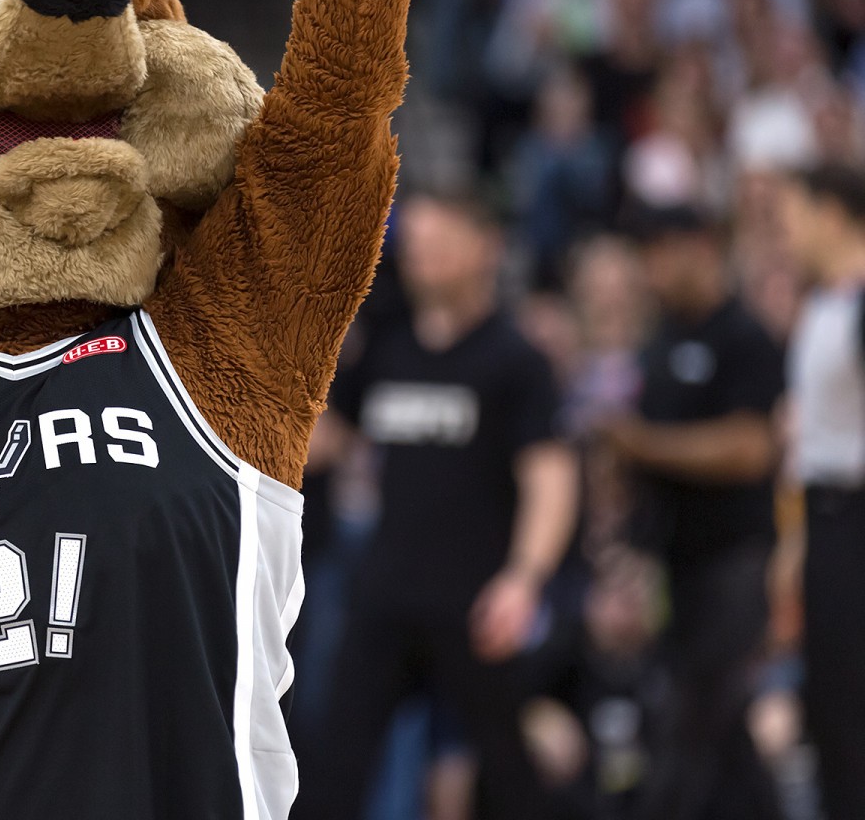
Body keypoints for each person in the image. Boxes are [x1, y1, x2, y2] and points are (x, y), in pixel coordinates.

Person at [295, 190, 579, 820]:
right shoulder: (386, 348)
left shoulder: (514, 360)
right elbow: (323, 440)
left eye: (439, 243)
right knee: (332, 768)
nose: (421, 257)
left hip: (476, 600)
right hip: (385, 593)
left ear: (485, 248)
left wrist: (524, 580)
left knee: (507, 774)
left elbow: (551, 478)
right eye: (415, 244)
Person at [599, 204, 783, 820]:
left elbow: (751, 448)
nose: (650, 272)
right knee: (723, 738)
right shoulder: (660, 341)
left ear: (700, 247)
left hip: (736, 564)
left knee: (686, 723)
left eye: (659, 253)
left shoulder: (745, 337)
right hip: (676, 564)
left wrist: (643, 444)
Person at [777, 164, 865, 819]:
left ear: (831, 214)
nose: (786, 232)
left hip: (856, 516)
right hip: (826, 520)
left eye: (794, 215)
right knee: (832, 709)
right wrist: (794, 543)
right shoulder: (822, 304)